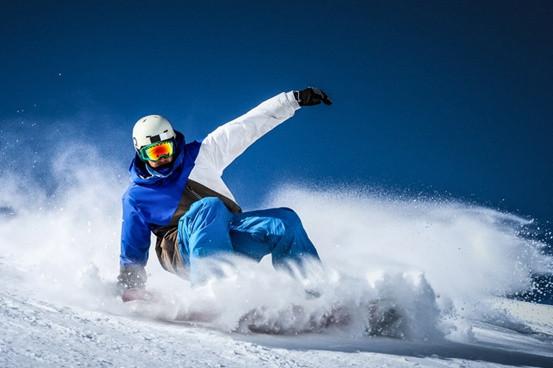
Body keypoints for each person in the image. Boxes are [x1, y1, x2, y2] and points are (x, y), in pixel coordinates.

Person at [117, 87, 332, 298]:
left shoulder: (201, 154)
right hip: (182, 249)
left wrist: (292, 100)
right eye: (154, 152)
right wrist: (130, 286)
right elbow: (132, 245)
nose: (163, 157)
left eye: (166, 149)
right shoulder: (137, 196)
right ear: (141, 154)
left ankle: (315, 298)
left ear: (174, 143)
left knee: (285, 221)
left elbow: (246, 126)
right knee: (209, 207)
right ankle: (213, 295)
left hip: (227, 233)